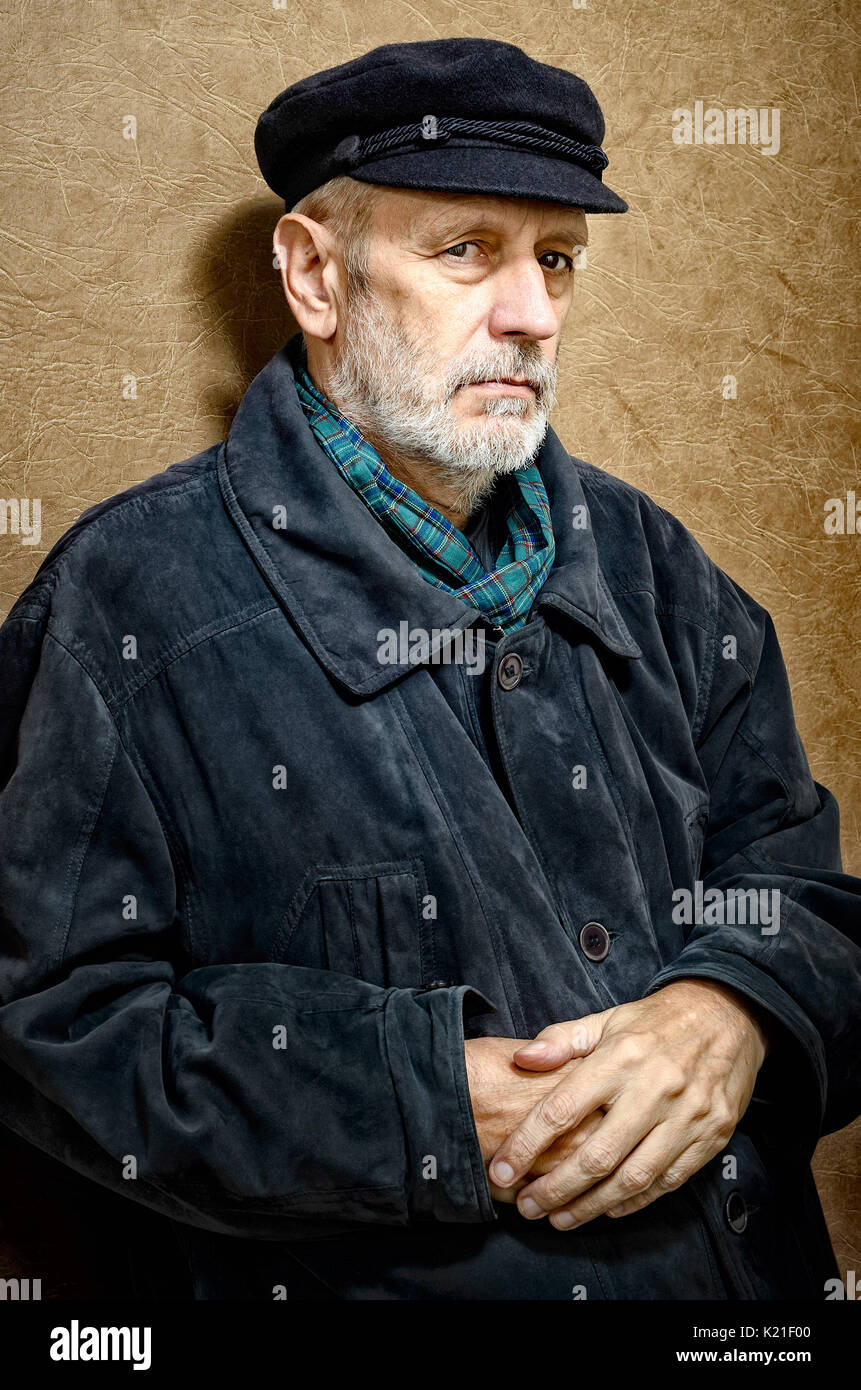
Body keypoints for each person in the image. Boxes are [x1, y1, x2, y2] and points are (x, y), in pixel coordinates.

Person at [0, 37, 858, 1301]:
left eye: (555, 258)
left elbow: (801, 887)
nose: (533, 313)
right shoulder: (126, 602)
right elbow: (50, 1028)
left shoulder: (659, 565)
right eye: (467, 250)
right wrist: (422, 1100)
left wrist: (734, 1010)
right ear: (311, 273)